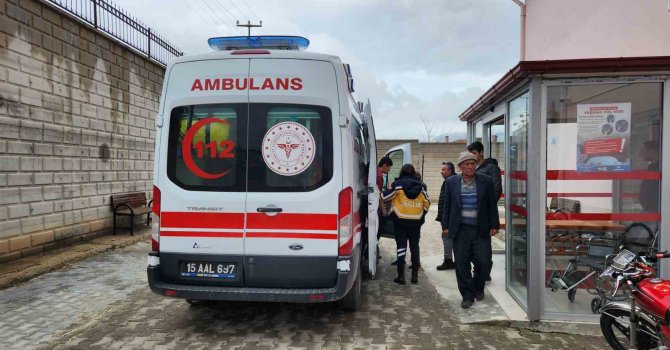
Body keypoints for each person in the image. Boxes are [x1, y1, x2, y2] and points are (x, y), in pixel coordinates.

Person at [442, 151, 499, 309]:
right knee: (461, 264)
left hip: (481, 228)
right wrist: (445, 226)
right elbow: (447, 205)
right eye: (466, 164)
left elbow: (491, 204)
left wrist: (494, 225)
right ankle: (467, 295)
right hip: (460, 229)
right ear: (460, 167)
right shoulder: (452, 182)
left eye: (473, 163)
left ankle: (478, 286)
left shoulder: (485, 181)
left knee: (484, 262)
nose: (470, 166)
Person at [382, 164, 430, 285]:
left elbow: (384, 196)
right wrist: (421, 214)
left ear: (402, 172)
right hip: (416, 221)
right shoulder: (421, 186)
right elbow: (428, 203)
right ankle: (414, 276)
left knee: (401, 246)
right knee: (414, 246)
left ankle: (401, 276)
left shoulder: (397, 185)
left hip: (400, 220)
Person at [467, 141, 502, 282]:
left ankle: (484, 272)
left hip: (484, 215)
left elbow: (496, 190)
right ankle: (479, 272)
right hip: (470, 215)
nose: (472, 157)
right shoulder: (473, 168)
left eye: (474, 153)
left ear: (481, 153)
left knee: (484, 247)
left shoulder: (491, 168)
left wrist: (483, 205)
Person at [436, 162, 456, 271]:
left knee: (447, 237)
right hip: (447, 216)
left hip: (448, 218)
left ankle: (448, 261)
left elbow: (447, 203)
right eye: (441, 169)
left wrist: (445, 220)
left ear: (450, 171)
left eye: (444, 169)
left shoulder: (450, 181)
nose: (441, 172)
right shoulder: (449, 181)